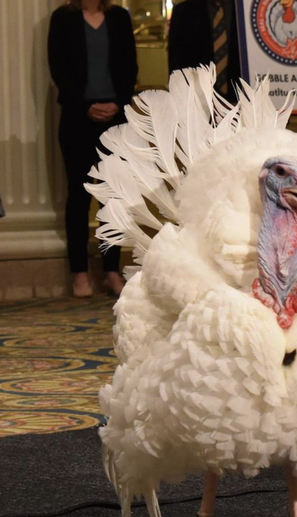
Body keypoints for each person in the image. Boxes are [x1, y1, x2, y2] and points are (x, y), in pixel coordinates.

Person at [48, 0, 138, 298]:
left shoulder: (119, 18)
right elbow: (58, 68)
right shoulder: (63, 19)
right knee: (79, 195)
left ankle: (111, 270)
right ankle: (80, 274)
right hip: (77, 119)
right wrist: (85, 106)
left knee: (112, 196)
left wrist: (119, 101)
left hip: (116, 117)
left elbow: (130, 66)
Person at [167, 0, 241, 104]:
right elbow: (176, 65)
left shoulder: (246, 11)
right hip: (196, 103)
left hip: (242, 103)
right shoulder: (183, 11)